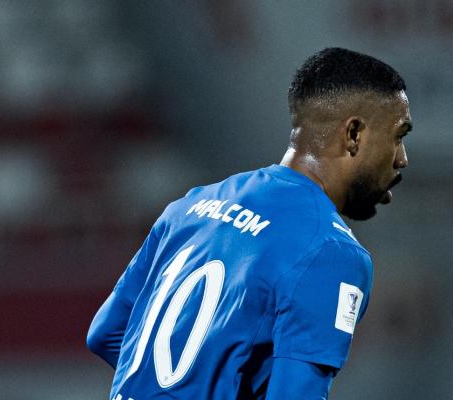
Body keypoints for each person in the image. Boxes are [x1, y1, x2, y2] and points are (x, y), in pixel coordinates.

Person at [87, 47, 413, 399]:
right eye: (398, 136)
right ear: (354, 134)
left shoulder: (191, 206)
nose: (402, 158)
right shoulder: (331, 251)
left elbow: (106, 333)